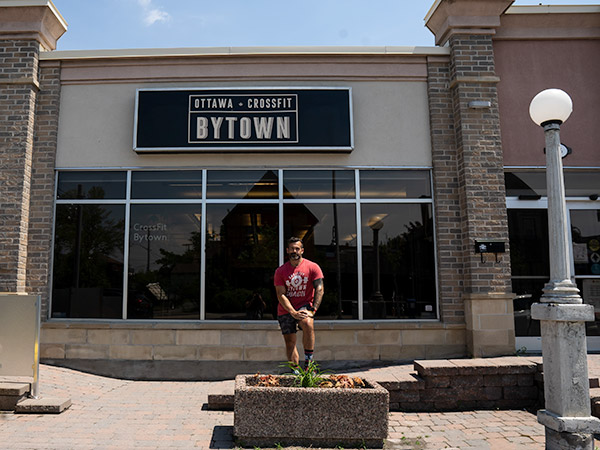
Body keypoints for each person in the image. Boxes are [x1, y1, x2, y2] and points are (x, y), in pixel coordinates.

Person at [274, 237, 324, 369]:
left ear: (302, 250)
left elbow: (319, 288)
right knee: (290, 343)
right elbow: (281, 294)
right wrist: (293, 312)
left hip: (305, 305)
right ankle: (295, 372)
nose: (294, 251)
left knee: (307, 322)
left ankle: (308, 364)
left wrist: (313, 310)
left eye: (297, 248)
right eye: (291, 248)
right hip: (286, 309)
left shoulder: (313, 267)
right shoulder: (280, 271)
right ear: (287, 250)